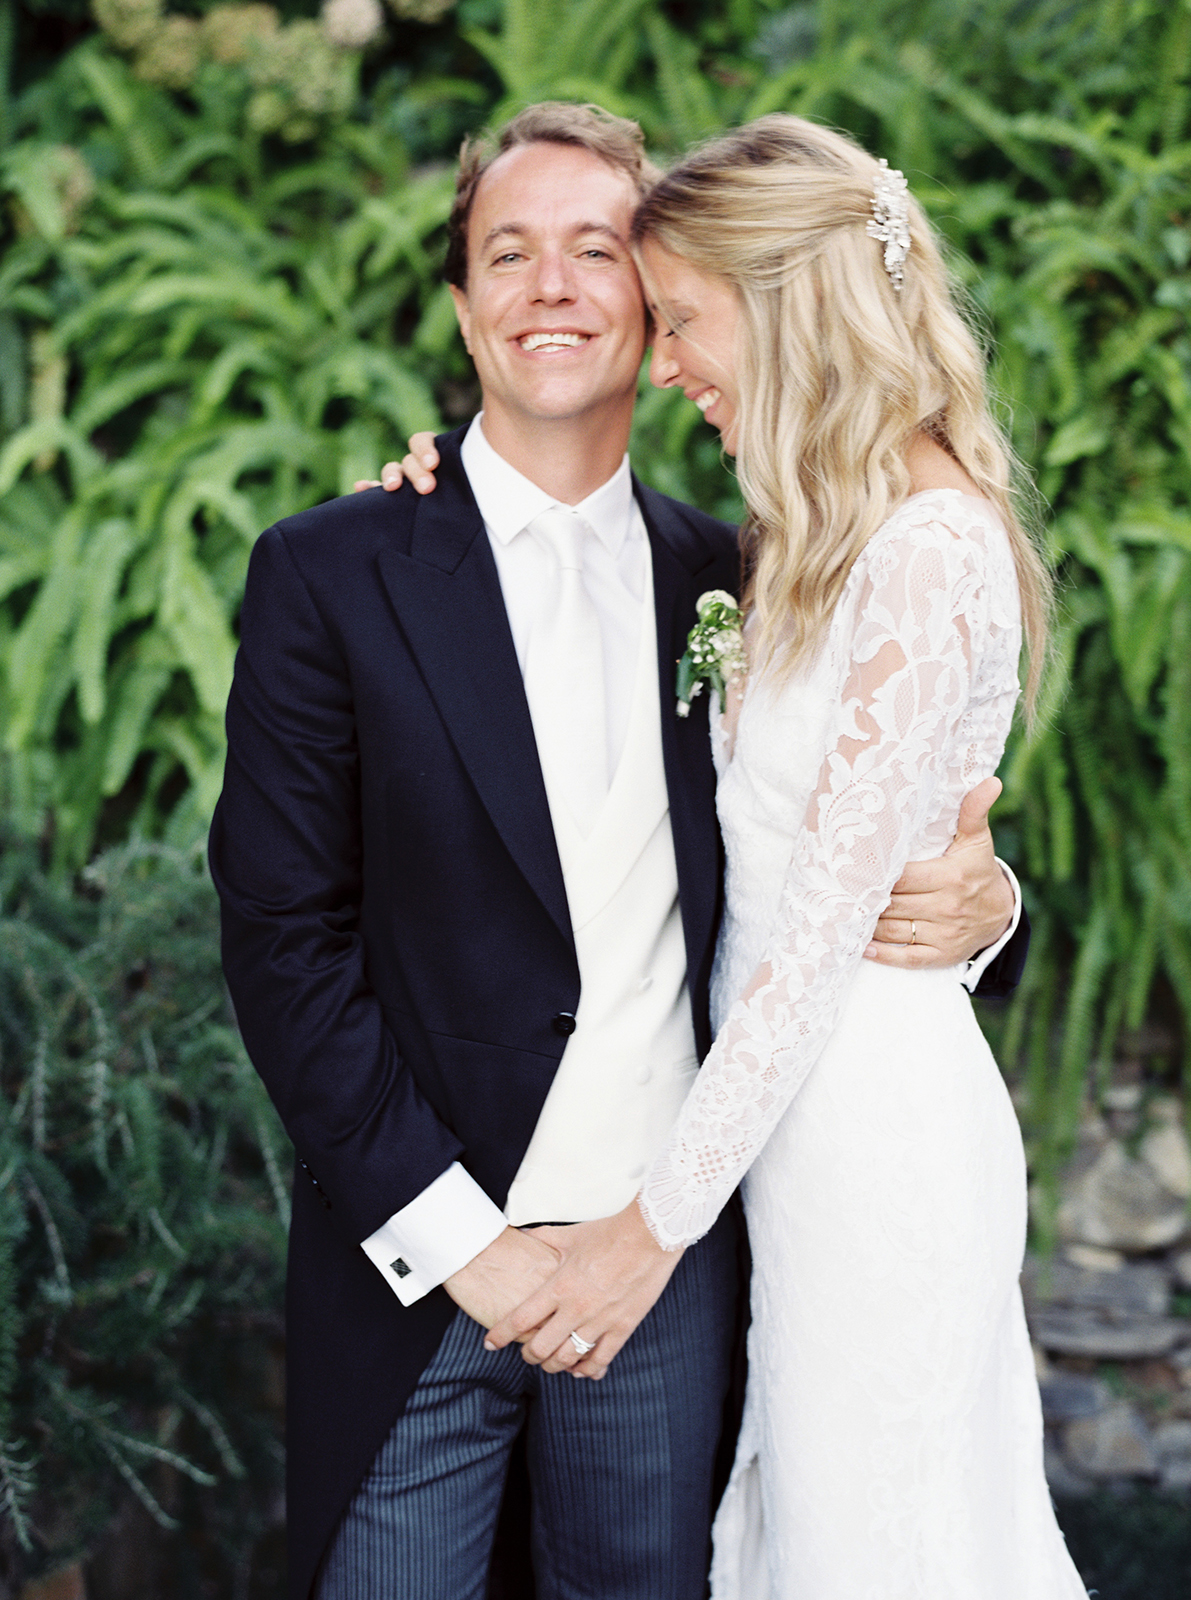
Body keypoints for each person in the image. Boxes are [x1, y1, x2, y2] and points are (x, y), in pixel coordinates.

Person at [210, 103, 1026, 1600]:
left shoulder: (745, 568)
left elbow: (865, 830)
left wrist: (988, 903)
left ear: (661, 305)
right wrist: (469, 1247)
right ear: (462, 309)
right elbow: (281, 943)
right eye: (506, 255)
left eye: (598, 251)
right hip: (423, 1277)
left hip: (675, 1272)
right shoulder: (333, 572)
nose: (553, 288)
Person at [437, 116, 1085, 1598]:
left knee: (880, 1543)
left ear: (786, 303)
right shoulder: (803, 540)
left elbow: (812, 954)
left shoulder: (927, 549)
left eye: (684, 321)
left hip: (867, 1140)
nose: (663, 364)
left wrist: (641, 1233)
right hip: (781, 1144)